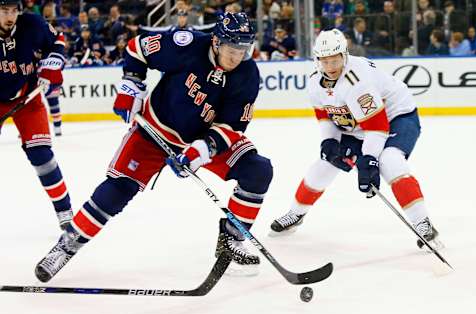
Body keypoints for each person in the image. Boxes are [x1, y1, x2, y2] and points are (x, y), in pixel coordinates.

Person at [35, 12, 273, 282]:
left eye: (244, 49)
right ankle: (66, 246)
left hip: (201, 139)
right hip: (154, 131)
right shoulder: (186, 45)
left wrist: (202, 150)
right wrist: (131, 85)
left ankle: (231, 241)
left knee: (258, 170)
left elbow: (232, 126)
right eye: (233, 49)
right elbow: (138, 48)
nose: (237, 57)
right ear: (217, 42)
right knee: (117, 189)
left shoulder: (247, 74)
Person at [270, 29, 443, 251]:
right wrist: (329, 142)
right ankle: (296, 213)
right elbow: (325, 113)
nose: (331, 67)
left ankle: (423, 223)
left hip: (396, 116)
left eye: (335, 60)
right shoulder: (314, 81)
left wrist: (369, 160)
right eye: (325, 61)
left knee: (389, 160)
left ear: (345, 56)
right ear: (317, 60)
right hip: (359, 123)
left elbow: (377, 127)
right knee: (324, 164)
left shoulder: (357, 81)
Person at [0, 0, 73, 229]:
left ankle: (66, 213)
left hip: (27, 99)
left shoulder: (32, 23)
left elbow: (57, 41)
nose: (10, 16)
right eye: (4, 11)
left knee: (42, 156)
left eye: (13, 10)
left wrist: (51, 68)